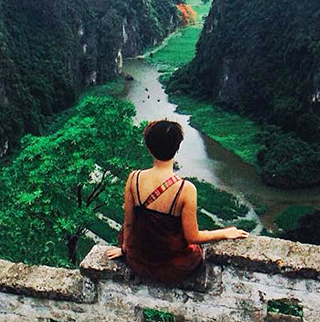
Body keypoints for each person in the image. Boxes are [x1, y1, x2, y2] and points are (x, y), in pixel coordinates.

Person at [105, 119, 249, 284]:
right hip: (172, 267)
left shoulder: (134, 178)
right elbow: (192, 237)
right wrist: (225, 232)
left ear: (148, 148)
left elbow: (128, 224)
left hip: (139, 261)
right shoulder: (185, 189)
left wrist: (125, 250)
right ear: (177, 147)